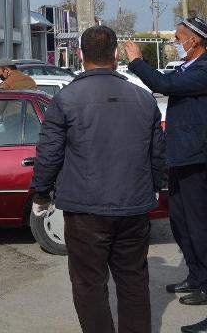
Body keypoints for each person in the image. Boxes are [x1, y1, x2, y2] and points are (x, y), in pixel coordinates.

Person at [32, 25, 166, 333]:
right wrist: (157, 186)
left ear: (80, 56)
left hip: (85, 211)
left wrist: (41, 195)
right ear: (117, 56)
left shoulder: (65, 99)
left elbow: (49, 154)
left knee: (89, 284)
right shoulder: (144, 99)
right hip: (133, 207)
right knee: (133, 280)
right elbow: (157, 153)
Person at [125, 16, 207, 333]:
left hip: (196, 160)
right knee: (181, 223)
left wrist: (136, 62)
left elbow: (164, 85)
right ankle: (197, 276)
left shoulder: (202, 70)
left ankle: (204, 281)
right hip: (181, 158)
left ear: (196, 40)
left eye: (179, 36)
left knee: (199, 225)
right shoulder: (188, 66)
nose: (175, 40)